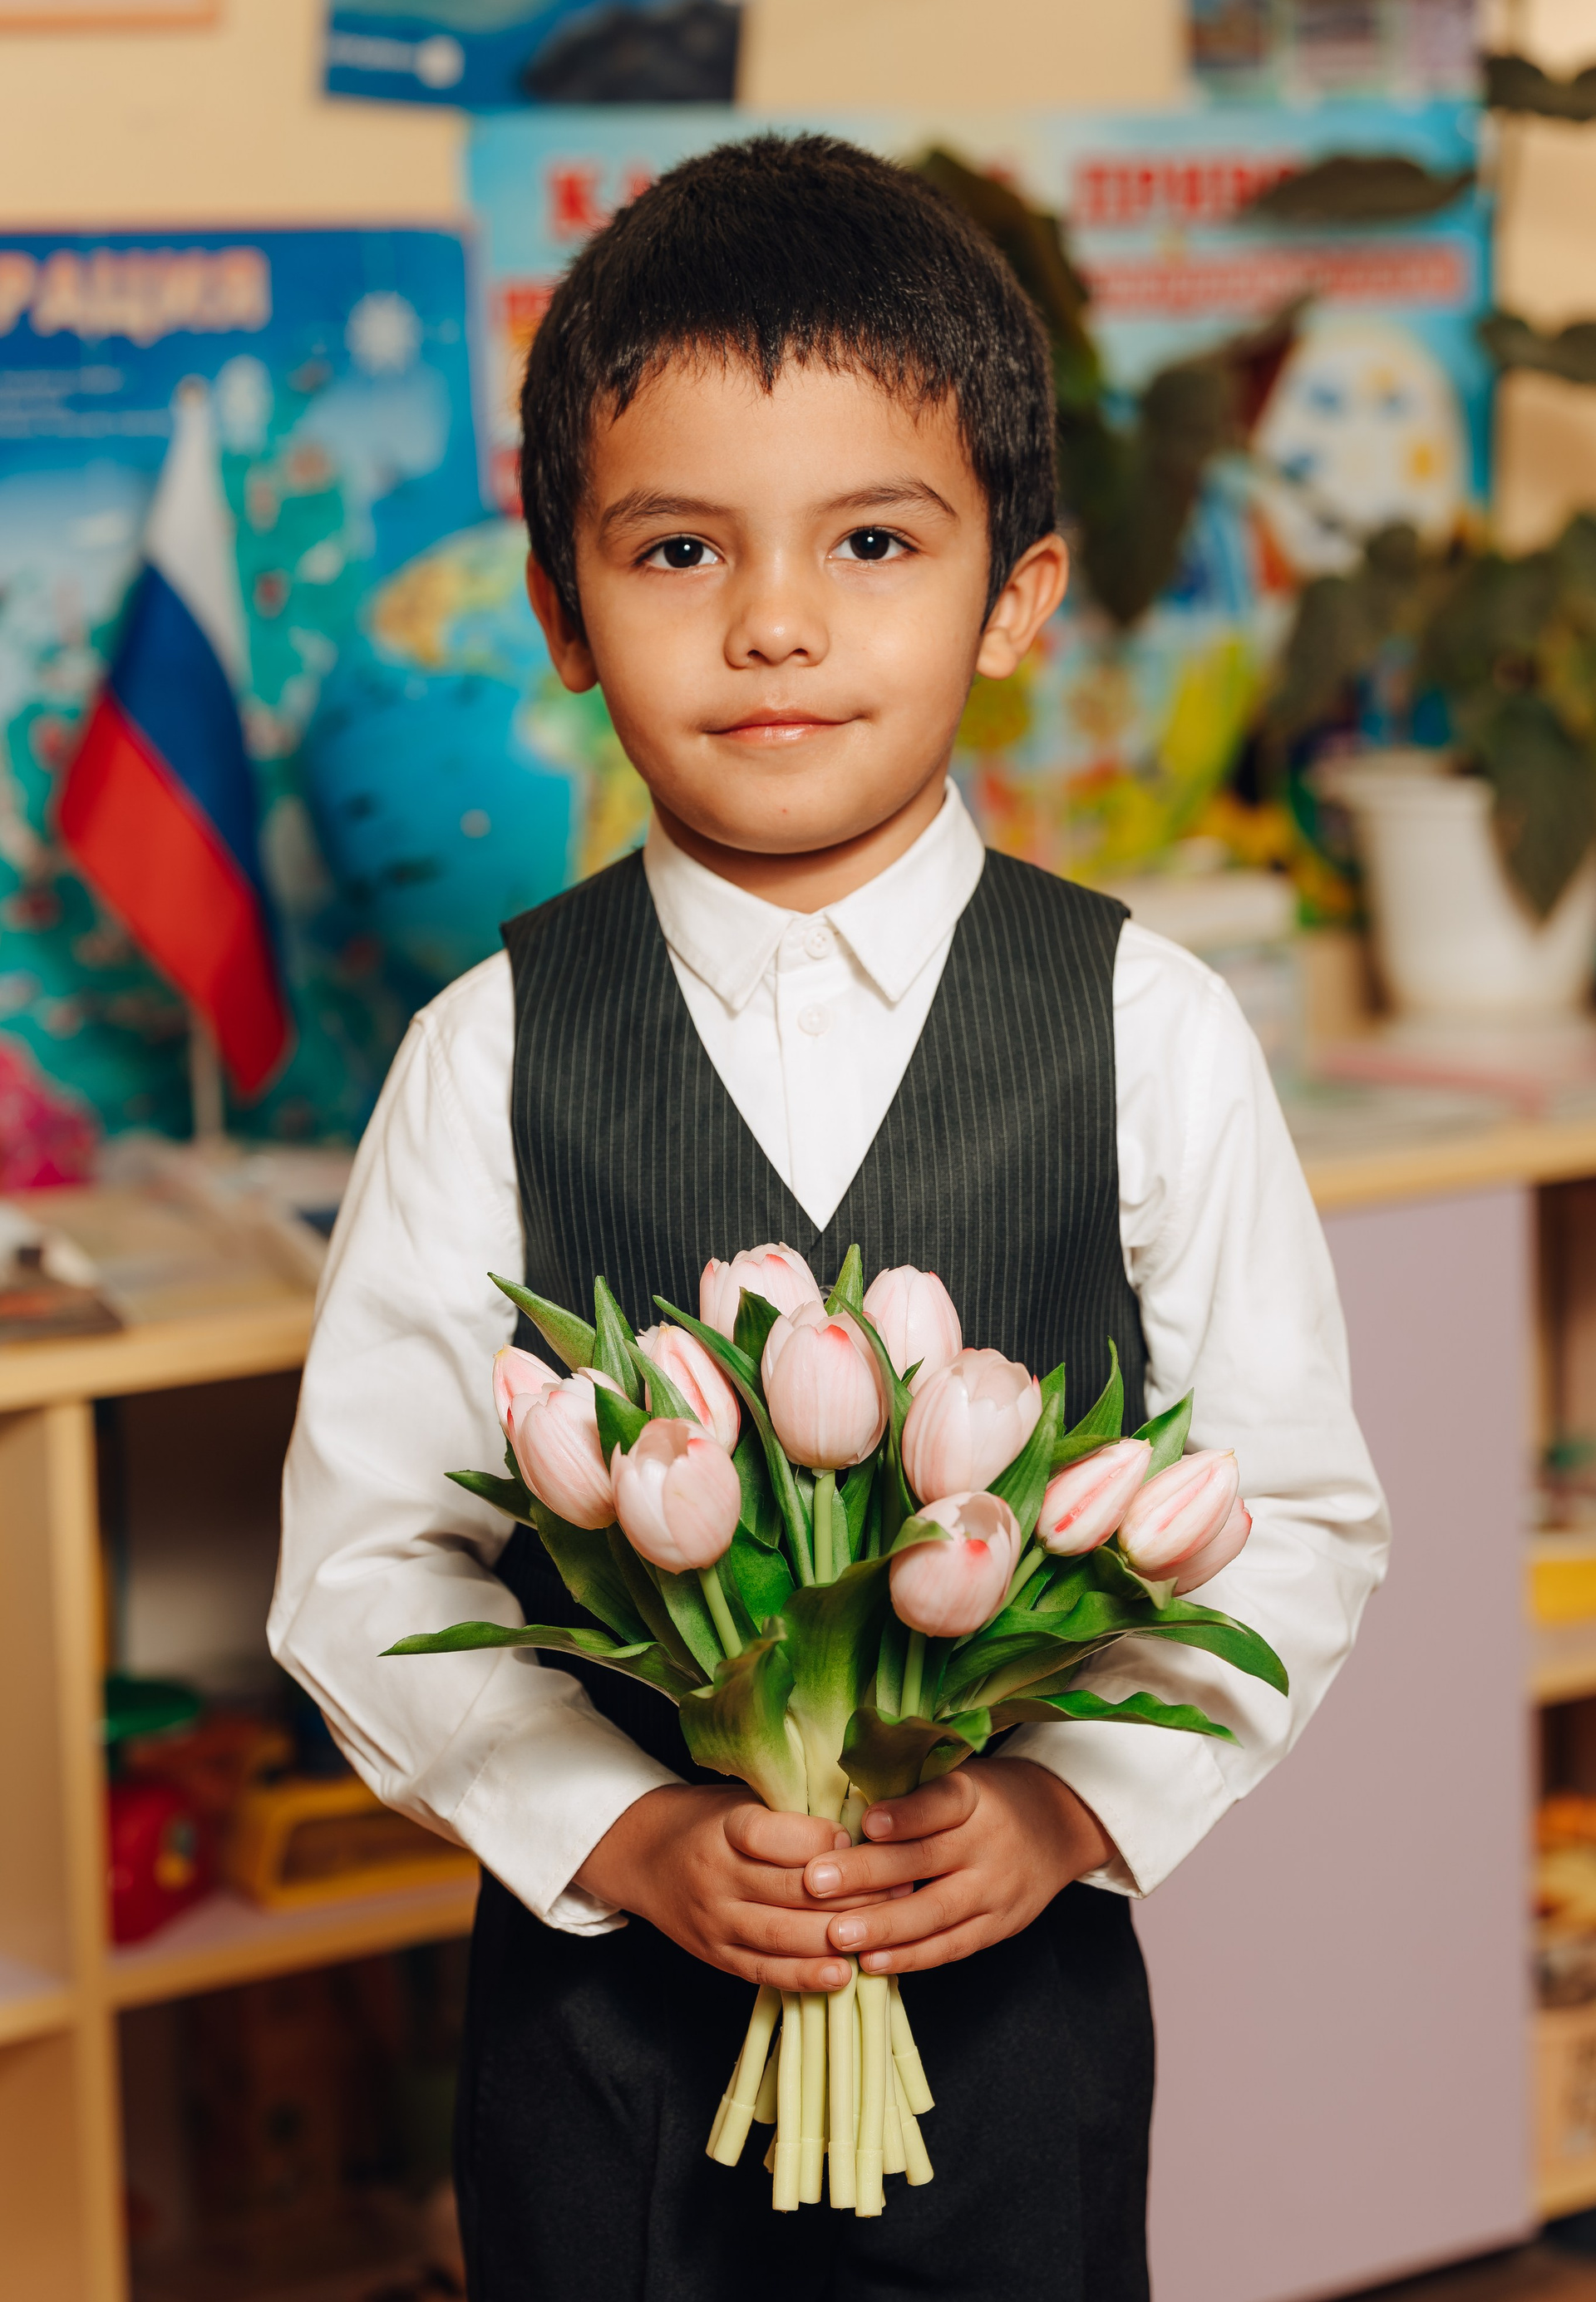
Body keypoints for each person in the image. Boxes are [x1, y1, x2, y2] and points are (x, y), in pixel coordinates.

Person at [270, 134, 1387, 2302]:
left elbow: (1298, 1509)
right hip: (605, 2058)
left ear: (1016, 599)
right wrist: (627, 1830)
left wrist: (1070, 1804)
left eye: (872, 540)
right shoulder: (485, 1052)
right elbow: (366, 1560)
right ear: (563, 612)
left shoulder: (1148, 1030)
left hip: (1012, 2037)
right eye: (679, 548)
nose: (773, 619)